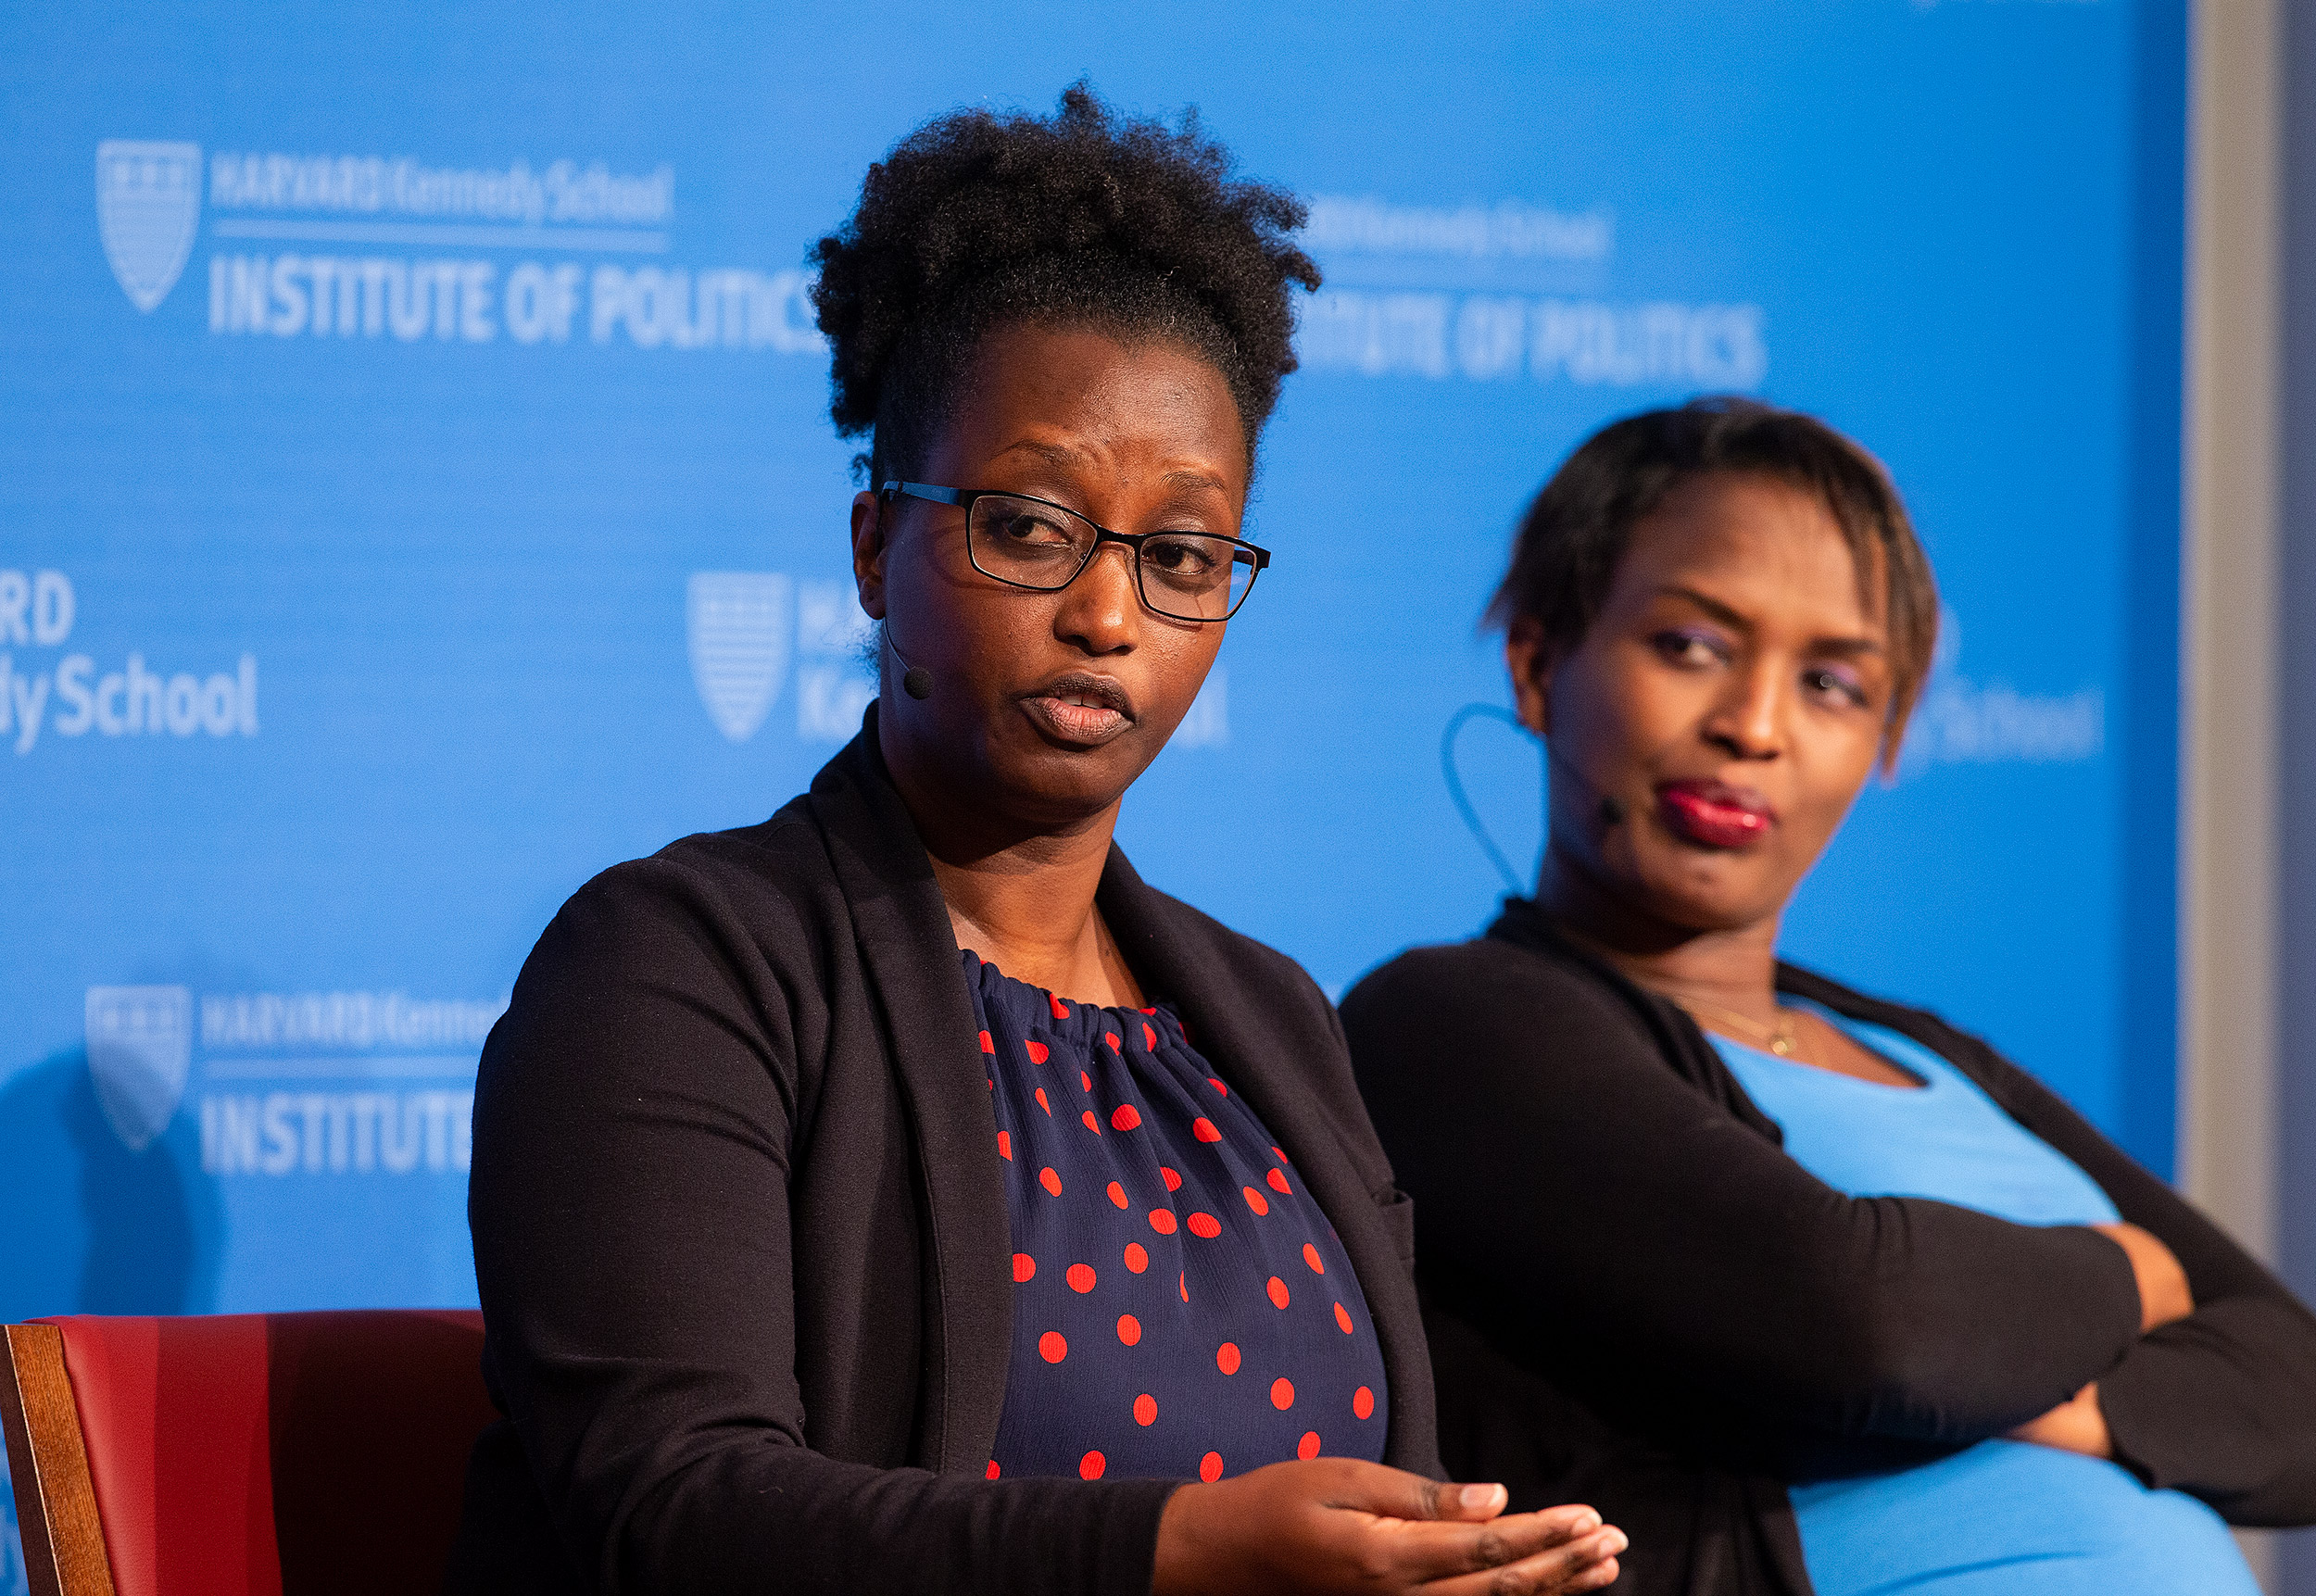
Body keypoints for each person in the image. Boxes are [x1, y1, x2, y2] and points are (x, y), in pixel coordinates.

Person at [443, 88, 1625, 1596]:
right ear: (877, 546)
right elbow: (676, 1513)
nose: (1110, 616)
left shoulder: (1268, 1019)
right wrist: (1176, 1554)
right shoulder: (681, 966)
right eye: (1027, 526)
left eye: (1183, 555)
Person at [1342, 398, 2316, 1596]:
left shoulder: (1926, 1051)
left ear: (1888, 738)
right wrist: (2134, 1274)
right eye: (1691, 645)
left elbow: (2299, 1389)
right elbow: (1867, 1325)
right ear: (1541, 665)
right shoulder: (1449, 1022)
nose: (1754, 727)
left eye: (1832, 684)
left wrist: (2055, 1398)